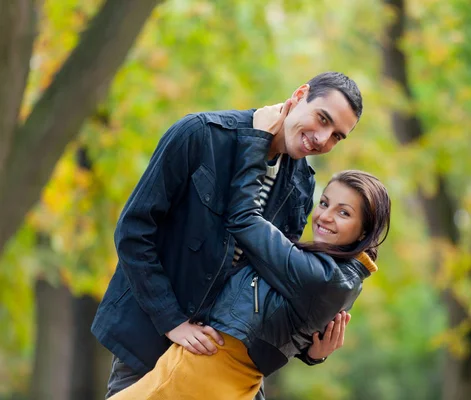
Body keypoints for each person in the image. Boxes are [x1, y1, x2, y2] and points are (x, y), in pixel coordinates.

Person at [91, 72, 363, 398]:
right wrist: (172, 322)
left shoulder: (302, 185)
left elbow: (276, 284)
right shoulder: (201, 134)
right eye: (322, 119)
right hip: (149, 341)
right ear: (300, 94)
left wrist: (309, 350)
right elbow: (133, 231)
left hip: (226, 364)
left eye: (336, 136)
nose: (322, 139)